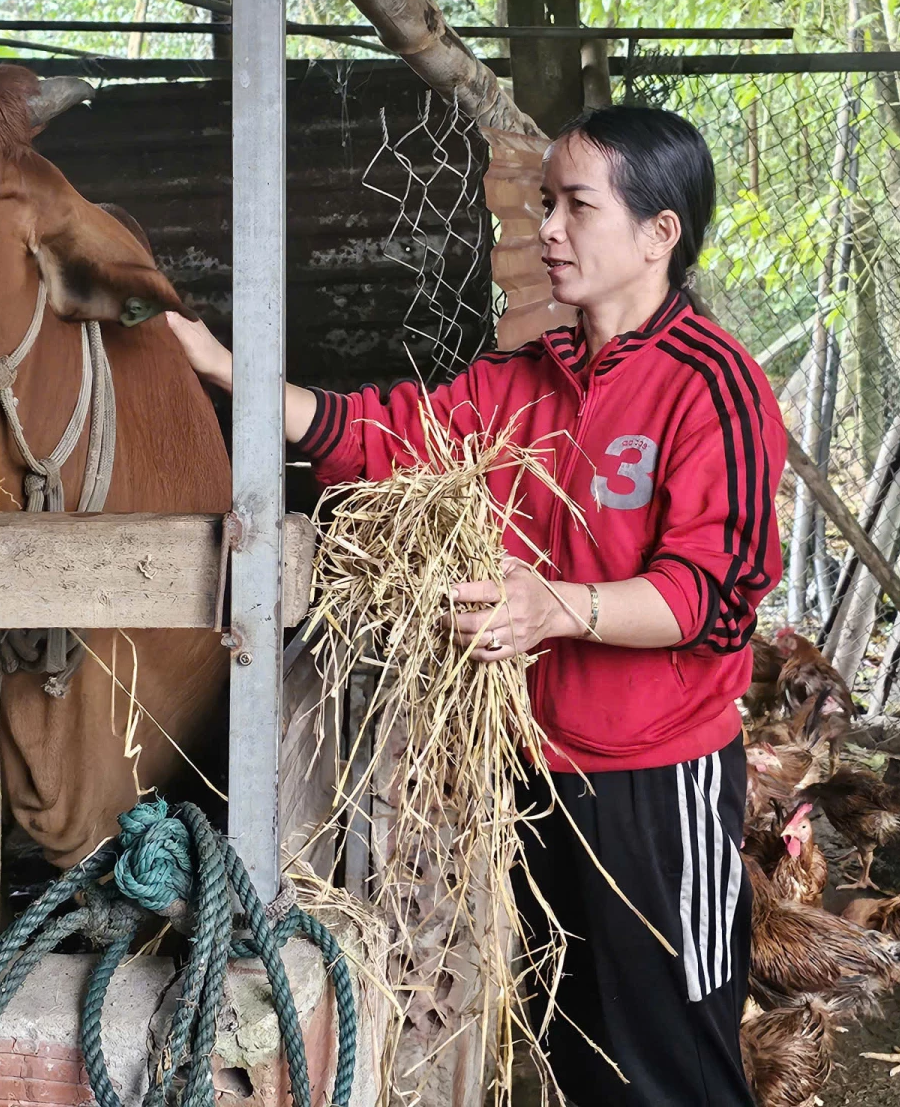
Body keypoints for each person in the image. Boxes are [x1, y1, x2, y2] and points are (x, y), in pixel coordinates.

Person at [167, 105, 786, 1105]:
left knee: (675, 1059)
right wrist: (224, 371)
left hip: (655, 785)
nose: (549, 229)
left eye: (577, 206)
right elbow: (378, 435)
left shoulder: (712, 384)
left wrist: (560, 607)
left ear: (658, 233)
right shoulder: (519, 376)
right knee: (570, 1046)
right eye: (546, 204)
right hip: (532, 780)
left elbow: (714, 595)